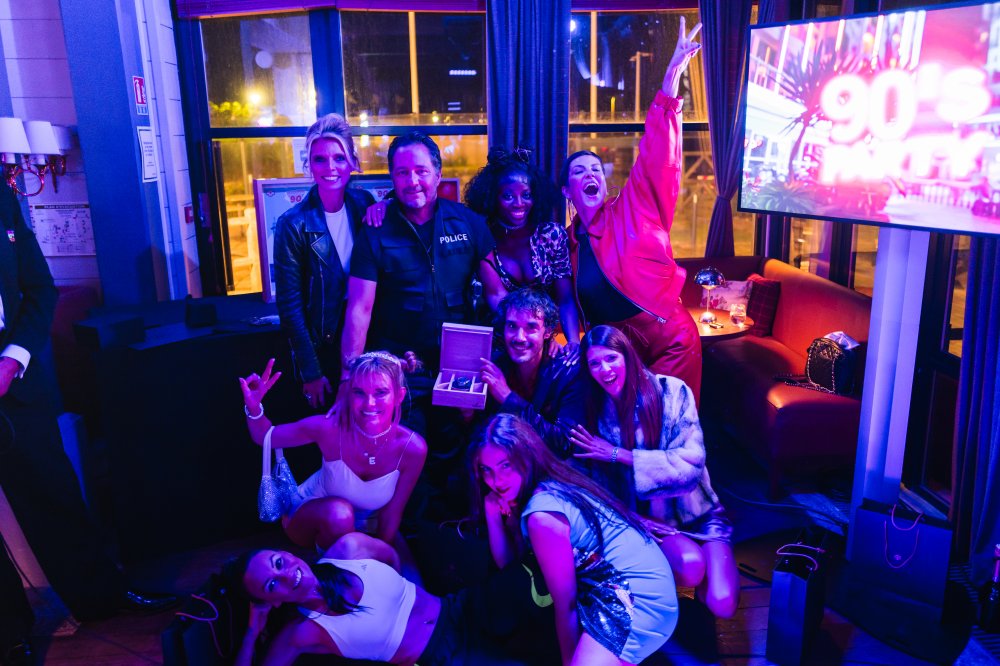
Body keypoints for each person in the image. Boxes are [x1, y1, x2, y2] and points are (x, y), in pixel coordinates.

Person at [0, 185, 174, 664]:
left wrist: (12, 360)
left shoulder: (3, 198)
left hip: (16, 383)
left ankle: (103, 598)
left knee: (55, 496)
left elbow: (39, 289)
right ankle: (8, 634)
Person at [562, 18, 703, 402]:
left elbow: (656, 156)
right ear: (567, 191)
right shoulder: (568, 245)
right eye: (579, 171)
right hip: (617, 354)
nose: (591, 174)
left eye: (595, 169)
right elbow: (569, 302)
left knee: (662, 423)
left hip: (670, 342)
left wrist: (671, 82)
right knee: (620, 425)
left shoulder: (632, 209)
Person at [471, 413, 677, 666]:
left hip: (638, 598)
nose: (496, 481)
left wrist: (569, 662)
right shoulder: (551, 481)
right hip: (635, 585)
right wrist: (492, 512)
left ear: (526, 456)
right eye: (486, 470)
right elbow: (512, 567)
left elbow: (565, 604)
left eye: (505, 465)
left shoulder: (542, 517)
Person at [570, 325, 739, 619]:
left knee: (722, 603)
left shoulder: (673, 392)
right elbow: (594, 487)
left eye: (611, 358)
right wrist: (631, 517)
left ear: (627, 356)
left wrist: (617, 454)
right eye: (594, 363)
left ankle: (697, 580)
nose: (604, 370)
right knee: (691, 567)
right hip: (653, 521)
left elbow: (690, 468)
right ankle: (667, 581)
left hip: (701, 515)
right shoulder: (594, 413)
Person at [341, 131, 499, 434]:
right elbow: (359, 310)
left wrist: (522, 338)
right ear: (392, 177)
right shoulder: (375, 229)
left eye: (421, 171)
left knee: (459, 448)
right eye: (402, 172)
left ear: (438, 174)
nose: (412, 180)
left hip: (458, 366)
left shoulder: (468, 222)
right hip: (398, 369)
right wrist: (348, 378)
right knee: (406, 450)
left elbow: (496, 294)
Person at [228, 532, 527, 665]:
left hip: (459, 609)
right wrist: (252, 631)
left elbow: (393, 557)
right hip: (442, 657)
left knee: (528, 595)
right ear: (272, 601)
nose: (285, 574)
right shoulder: (303, 633)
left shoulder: (350, 548)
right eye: (271, 585)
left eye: (278, 562)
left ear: (287, 554)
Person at [239, 352, 426, 562]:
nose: (369, 403)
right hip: (311, 516)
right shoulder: (330, 428)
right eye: (359, 392)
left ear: (399, 396)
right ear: (348, 393)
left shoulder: (412, 448)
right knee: (340, 514)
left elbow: (391, 514)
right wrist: (254, 407)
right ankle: (332, 568)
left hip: (365, 530)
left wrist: (381, 560)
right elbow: (265, 437)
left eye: (380, 392)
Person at [273, 114, 375, 410]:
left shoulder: (364, 204)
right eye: (320, 159)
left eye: (339, 158)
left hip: (367, 339)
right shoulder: (293, 224)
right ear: (309, 165)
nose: (330, 168)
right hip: (324, 349)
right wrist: (311, 371)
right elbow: (290, 308)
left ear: (352, 162)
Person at [464, 148, 582, 353]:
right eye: (508, 196)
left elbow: (565, 299)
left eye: (526, 195)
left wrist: (573, 344)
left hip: (545, 334)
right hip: (503, 340)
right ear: (493, 198)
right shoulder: (484, 238)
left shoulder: (551, 235)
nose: (519, 204)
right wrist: (537, 339)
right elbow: (497, 298)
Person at [479, 288, 584, 457]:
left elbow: (564, 444)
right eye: (512, 326)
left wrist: (508, 398)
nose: (520, 337)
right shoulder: (495, 365)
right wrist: (466, 416)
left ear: (547, 332)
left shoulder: (568, 372)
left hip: (551, 467)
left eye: (531, 327)